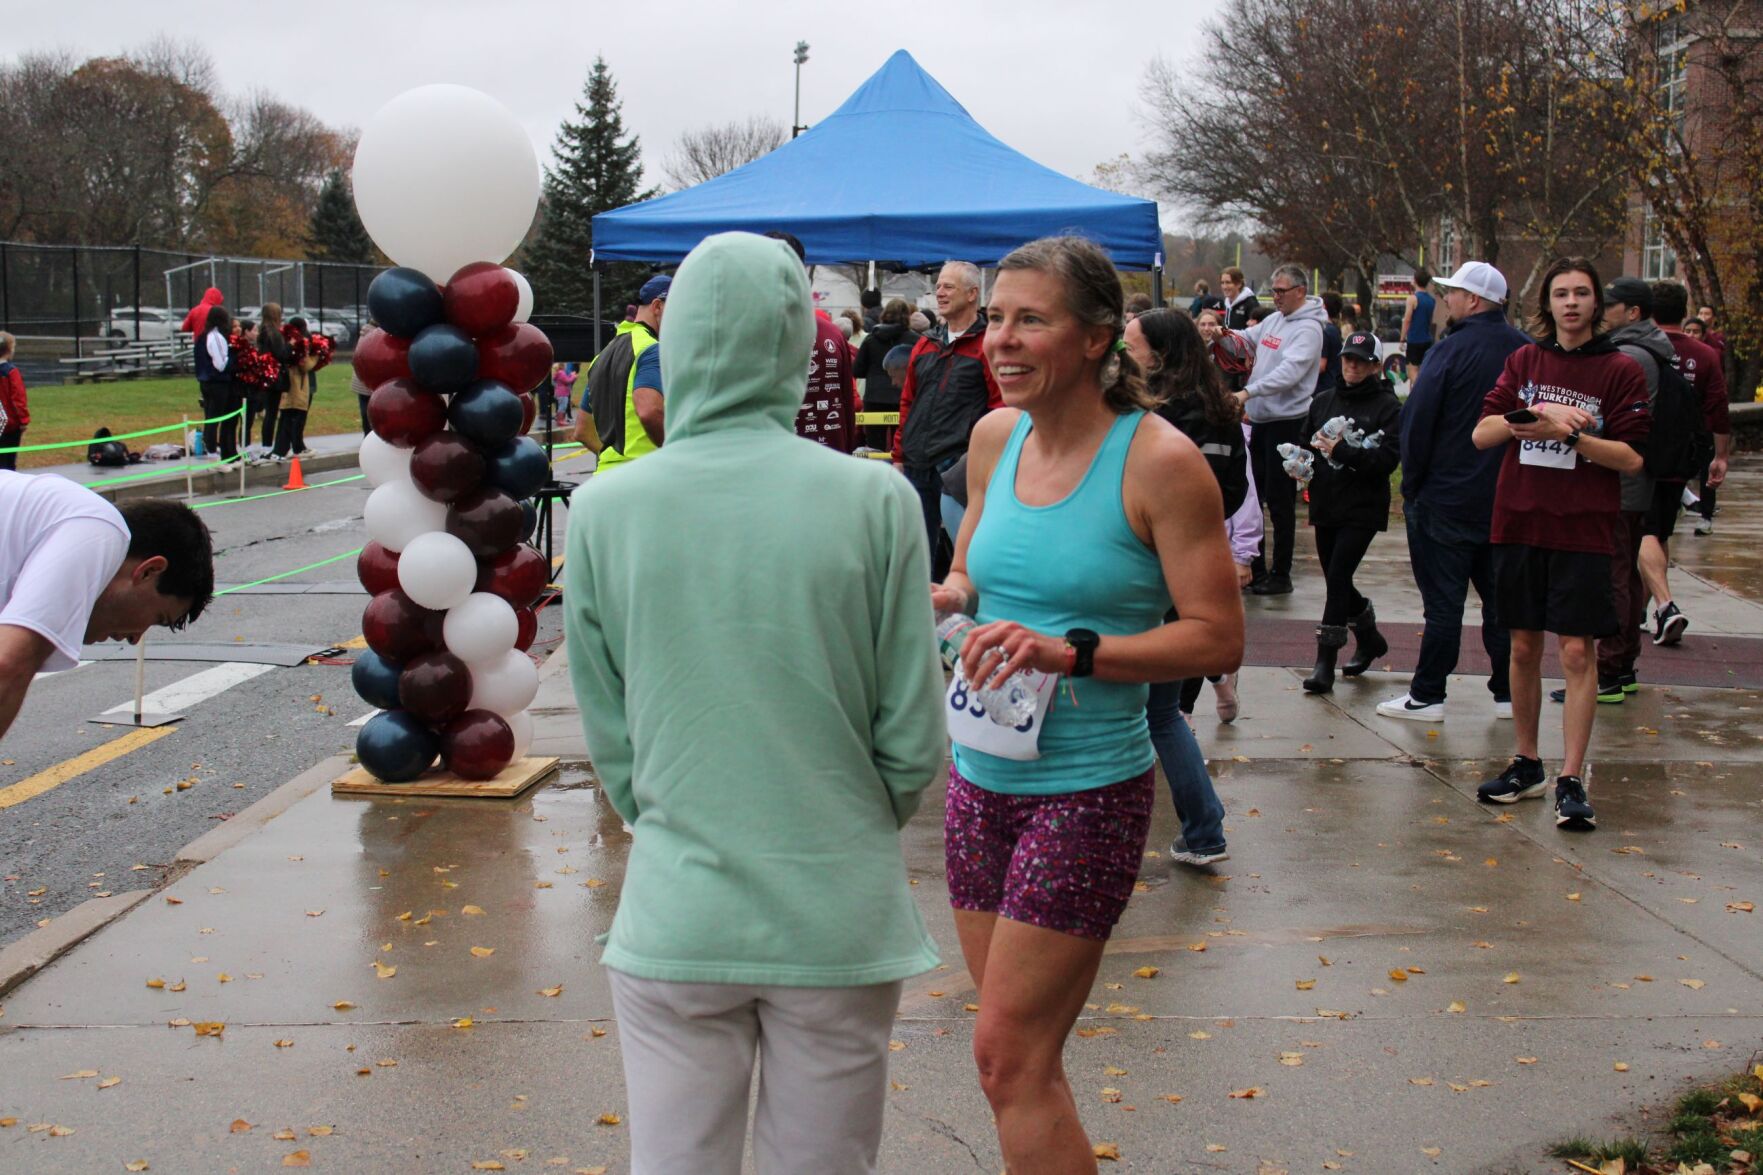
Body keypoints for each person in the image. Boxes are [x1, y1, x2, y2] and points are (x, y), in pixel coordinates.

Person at [563, 231, 945, 1175]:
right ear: (797, 345)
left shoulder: (608, 508)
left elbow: (609, 728)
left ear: (678, 342)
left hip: (679, 898)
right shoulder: (877, 498)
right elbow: (911, 725)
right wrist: (850, 817)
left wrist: (666, 812)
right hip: (835, 897)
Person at [933, 236, 1242, 1172]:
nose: (1002, 339)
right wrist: (947, 598)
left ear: (1098, 335)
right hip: (977, 779)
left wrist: (1073, 653)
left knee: (1005, 1054)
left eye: (1032, 319)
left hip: (1086, 795)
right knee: (1013, 1061)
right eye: (994, 318)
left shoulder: (1159, 462)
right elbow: (969, 572)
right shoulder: (995, 439)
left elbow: (1216, 637)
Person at [1471, 257, 1649, 832]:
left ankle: (1572, 777)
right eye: (1560, 294)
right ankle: (1528, 763)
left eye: (1581, 293)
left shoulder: (1621, 370)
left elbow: (1631, 457)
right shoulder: (1525, 360)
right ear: (1546, 304)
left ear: (1596, 304)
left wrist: (1574, 434)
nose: (1570, 303)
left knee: (1576, 652)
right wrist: (1539, 412)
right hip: (1518, 523)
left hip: (1582, 529)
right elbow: (1483, 433)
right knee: (1522, 648)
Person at [1124, 307, 1248, 868]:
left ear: (1160, 354)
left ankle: (1201, 828)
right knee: (1163, 710)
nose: (1125, 356)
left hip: (1150, 572)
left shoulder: (1153, 418)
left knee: (1154, 712)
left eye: (1132, 346)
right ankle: (1202, 827)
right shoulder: (1222, 411)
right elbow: (1235, 489)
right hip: (1197, 567)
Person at [1378, 261, 1528, 722]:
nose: (1447, 299)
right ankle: (1508, 692)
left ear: (1474, 301)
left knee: (1443, 605)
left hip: (1446, 498)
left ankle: (1428, 694)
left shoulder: (1450, 350)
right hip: (1505, 499)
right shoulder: (1527, 351)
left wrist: (1414, 488)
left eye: (1454, 293)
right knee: (1500, 604)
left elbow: (1417, 423)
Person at [1, 476, 214, 742]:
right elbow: (8, 665)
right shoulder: (100, 531)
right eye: (158, 618)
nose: (136, 638)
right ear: (149, 571)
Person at [1577, 277, 1680, 703]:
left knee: (1613, 571)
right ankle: (1624, 666)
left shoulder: (1630, 356)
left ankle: (1609, 670)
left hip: (1622, 478)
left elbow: (1608, 418)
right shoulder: (1655, 348)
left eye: (1612, 305)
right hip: (1641, 480)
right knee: (1628, 571)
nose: (1603, 310)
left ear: (1633, 312)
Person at [1294, 330, 1401, 693]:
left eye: (1361, 360)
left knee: (1338, 574)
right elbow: (1305, 442)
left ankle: (1325, 661)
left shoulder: (1388, 408)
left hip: (1363, 506)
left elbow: (1385, 461)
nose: (1352, 365)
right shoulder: (1323, 400)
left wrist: (1342, 452)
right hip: (1326, 500)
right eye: (1347, 358)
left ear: (1375, 366)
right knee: (1336, 579)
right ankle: (1369, 637)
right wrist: (1297, 462)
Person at [892, 261, 1002, 579]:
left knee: (967, 561)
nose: (939, 292)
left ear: (972, 294)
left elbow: (999, 408)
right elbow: (908, 402)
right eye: (938, 286)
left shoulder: (987, 345)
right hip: (916, 464)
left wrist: (979, 460)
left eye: (948, 286)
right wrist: (899, 454)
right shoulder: (925, 343)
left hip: (959, 469)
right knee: (915, 558)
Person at [1235, 263, 1329, 595]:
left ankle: (1281, 573)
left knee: (1280, 501)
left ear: (1300, 292)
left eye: (1281, 291)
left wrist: (1249, 392)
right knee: (1252, 497)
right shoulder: (1276, 320)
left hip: (1287, 424)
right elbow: (1248, 338)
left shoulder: (1309, 329)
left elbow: (1289, 372)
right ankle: (1255, 567)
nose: (1275, 298)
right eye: (1273, 291)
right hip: (1260, 421)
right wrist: (1222, 334)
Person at [767, 232, 862, 453]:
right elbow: (848, 406)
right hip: (828, 463)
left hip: (770, 467)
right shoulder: (831, 334)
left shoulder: (742, 334)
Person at [1654, 286, 1730, 537]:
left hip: (1640, 450)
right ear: (1684, 312)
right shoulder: (1705, 355)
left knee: (1639, 532)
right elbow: (1718, 408)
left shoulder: (1635, 349)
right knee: (1659, 533)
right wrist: (1720, 455)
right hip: (1683, 452)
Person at [586, 276, 668, 472]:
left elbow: (582, 428)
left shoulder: (601, 357)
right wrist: (676, 450)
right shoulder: (650, 349)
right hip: (644, 473)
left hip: (605, 475)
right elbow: (649, 411)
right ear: (657, 306)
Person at [854, 299, 914, 450]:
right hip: (903, 397)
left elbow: (857, 370)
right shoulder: (915, 340)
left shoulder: (871, 339)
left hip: (874, 397)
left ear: (885, 314)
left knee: (874, 448)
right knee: (901, 445)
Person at [270, 318, 319, 461]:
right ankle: (283, 449)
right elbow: (305, 365)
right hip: (298, 385)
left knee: (287, 416)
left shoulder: (287, 340)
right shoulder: (299, 342)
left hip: (290, 384)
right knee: (294, 417)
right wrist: (316, 357)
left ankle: (291, 447)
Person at [195, 306, 240, 462]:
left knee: (210, 417)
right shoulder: (216, 337)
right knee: (214, 418)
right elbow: (220, 364)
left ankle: (211, 450)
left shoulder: (202, 336)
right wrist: (233, 355)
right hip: (217, 382)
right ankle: (213, 453)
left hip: (205, 380)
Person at [253, 305, 290, 452]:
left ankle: (266, 445)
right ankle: (267, 446)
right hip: (274, 376)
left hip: (267, 375)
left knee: (270, 412)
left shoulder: (263, 331)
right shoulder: (273, 333)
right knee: (272, 413)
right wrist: (291, 346)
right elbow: (281, 353)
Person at [0, 332, 28, 472]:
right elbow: (18, 398)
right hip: (10, 425)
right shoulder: (11, 372)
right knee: (8, 460)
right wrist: (23, 420)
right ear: (9, 350)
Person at [1402, 268, 1438, 372]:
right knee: (1423, 370)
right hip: (1427, 339)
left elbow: (1407, 320)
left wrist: (1402, 339)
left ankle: (1421, 388)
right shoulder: (1431, 300)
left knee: (1412, 371)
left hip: (1414, 339)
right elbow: (1430, 319)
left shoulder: (1412, 299)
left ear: (1415, 281)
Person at [1316, 290, 1344, 396]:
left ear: (1323, 307)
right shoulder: (1334, 329)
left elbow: (1321, 365)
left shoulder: (1324, 331)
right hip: (1333, 384)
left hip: (1322, 388)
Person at [1220, 266, 1257, 330]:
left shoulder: (1251, 304)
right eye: (1222, 283)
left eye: (1228, 282)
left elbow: (1255, 331)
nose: (1224, 287)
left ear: (1239, 284)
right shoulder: (1227, 303)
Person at [551, 362, 579, 426]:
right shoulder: (561, 373)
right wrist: (573, 376)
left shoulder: (559, 373)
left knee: (562, 406)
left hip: (561, 393)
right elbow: (567, 381)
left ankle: (561, 419)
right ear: (563, 366)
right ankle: (560, 420)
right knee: (562, 407)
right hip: (563, 393)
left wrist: (571, 375)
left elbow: (564, 379)